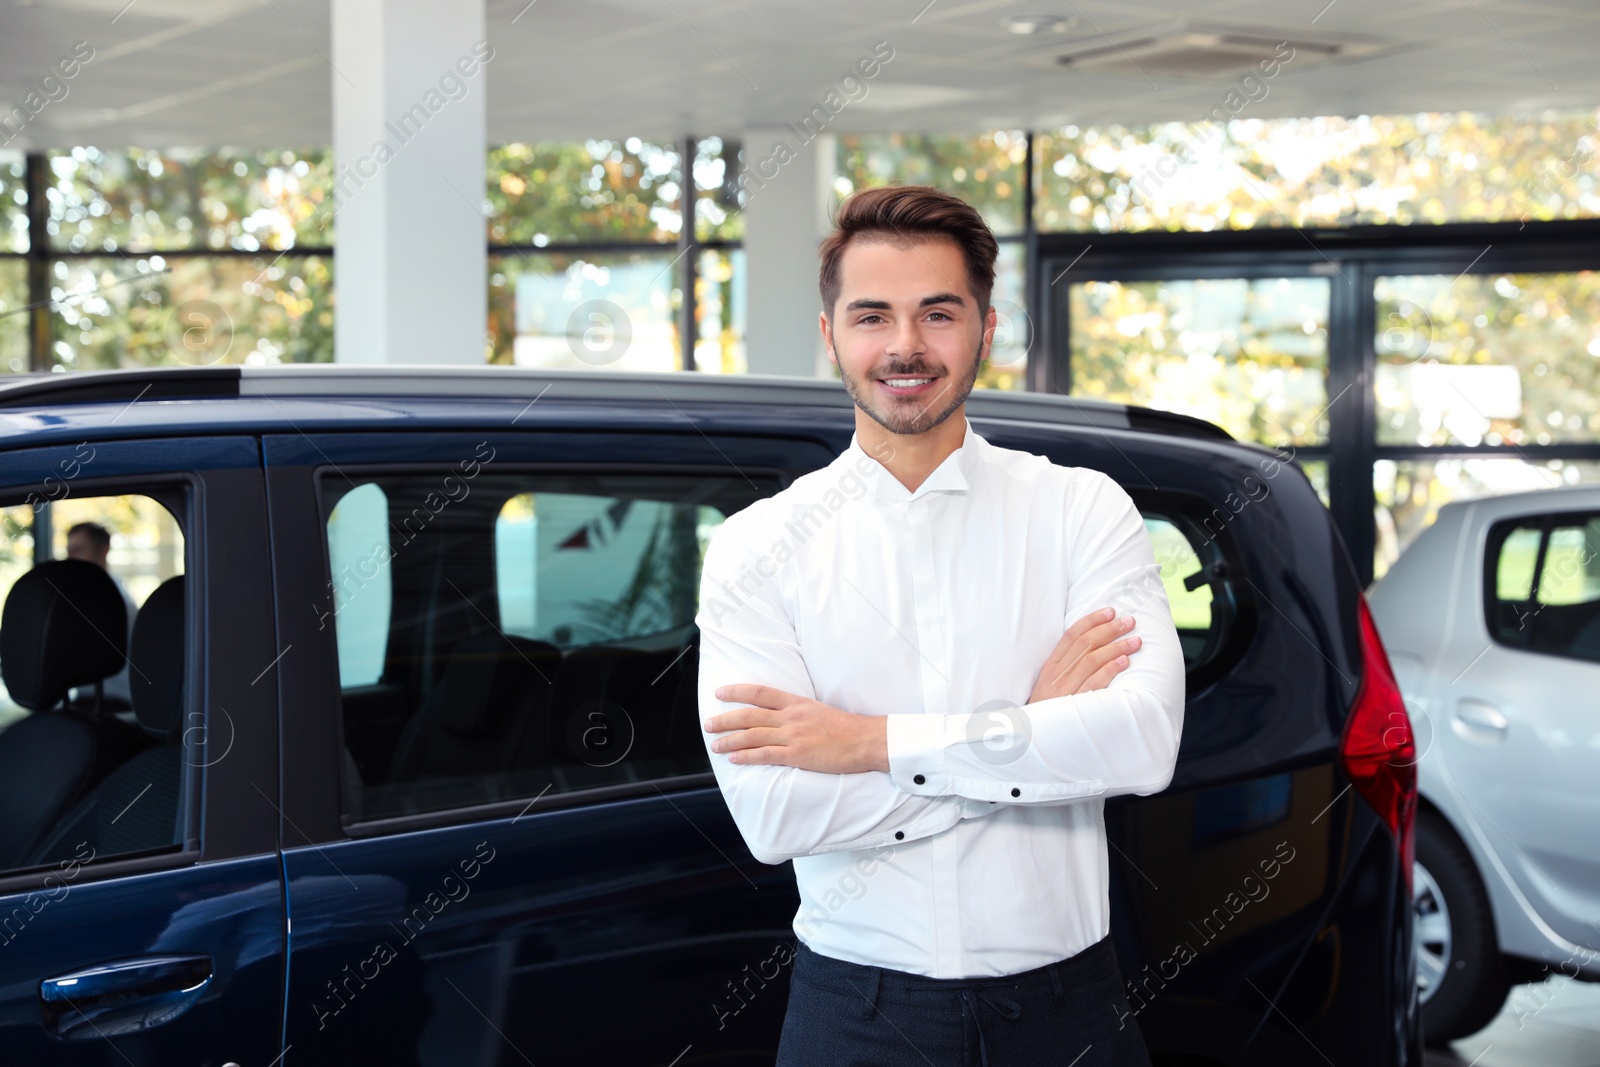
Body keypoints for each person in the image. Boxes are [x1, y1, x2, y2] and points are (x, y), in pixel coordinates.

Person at [697, 184, 1186, 1066]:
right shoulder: (755, 548)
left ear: (986, 330)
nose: (906, 346)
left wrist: (867, 741)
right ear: (830, 336)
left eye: (938, 313)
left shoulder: (1081, 510)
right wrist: (1027, 730)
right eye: (872, 315)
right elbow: (775, 815)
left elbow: (1142, 742)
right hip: (856, 1011)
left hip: (1067, 1010)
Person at [65, 521, 137, 710]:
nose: (70, 558)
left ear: (103, 551)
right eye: (69, 551)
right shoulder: (86, 595)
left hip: (113, 703)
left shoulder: (112, 600)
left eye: (79, 550)